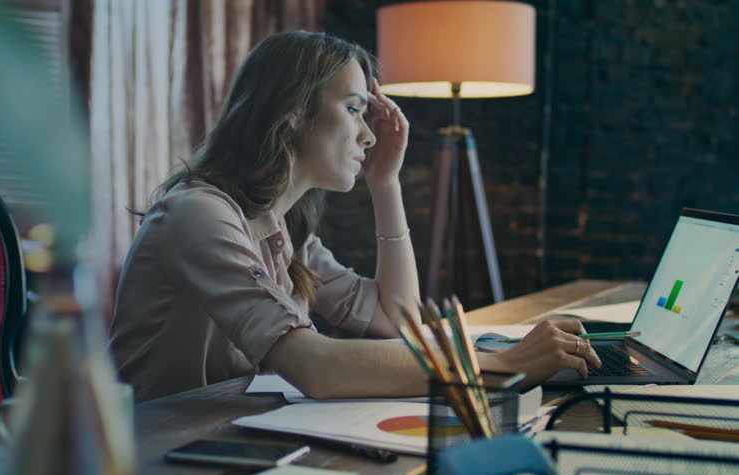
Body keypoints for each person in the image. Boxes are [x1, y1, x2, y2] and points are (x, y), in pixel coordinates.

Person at [110, 31, 600, 403]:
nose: (368, 135)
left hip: (218, 437)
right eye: (353, 109)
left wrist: (385, 185)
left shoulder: (284, 229)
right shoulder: (199, 215)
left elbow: (397, 319)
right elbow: (316, 367)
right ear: (290, 113)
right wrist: (499, 363)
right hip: (151, 453)